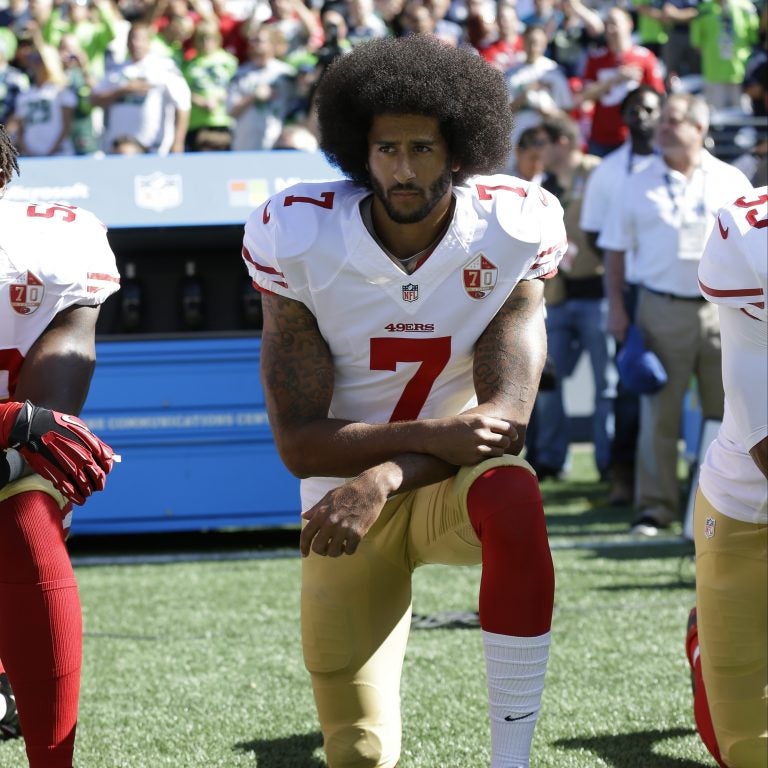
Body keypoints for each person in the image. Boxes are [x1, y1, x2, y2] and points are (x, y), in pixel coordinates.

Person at [241, 35, 566, 768]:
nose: (404, 168)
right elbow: (299, 443)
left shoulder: (514, 225)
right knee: (358, 755)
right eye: (387, 149)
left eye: (424, 148)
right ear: (362, 151)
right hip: (341, 501)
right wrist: (423, 444)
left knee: (515, 498)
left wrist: (385, 473)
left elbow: (503, 426)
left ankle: (510, 760)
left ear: (460, 150)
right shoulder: (299, 233)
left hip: (445, 485)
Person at [0, 123, 119, 767]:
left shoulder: (57, 236)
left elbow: (48, 417)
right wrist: (14, 424)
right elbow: (25, 421)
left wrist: (23, 432)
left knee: (28, 514)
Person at [599, 93, 752, 535]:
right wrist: (617, 313)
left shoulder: (730, 180)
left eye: (675, 120)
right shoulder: (636, 180)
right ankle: (655, 509)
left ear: (700, 129)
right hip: (659, 308)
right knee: (659, 417)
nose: (663, 127)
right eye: (663, 120)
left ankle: (732, 510)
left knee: (732, 416)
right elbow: (614, 253)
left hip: (725, 312)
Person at [686, 186, 767, 768]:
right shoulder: (751, 242)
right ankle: (701, 648)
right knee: (747, 753)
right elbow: (762, 429)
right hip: (746, 510)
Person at [580, 84, 664, 505]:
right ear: (623, 119)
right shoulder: (610, 170)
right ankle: (623, 476)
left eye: (650, 109)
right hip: (632, 291)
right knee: (630, 388)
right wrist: (628, 266)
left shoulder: (690, 166)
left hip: (685, 292)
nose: (642, 118)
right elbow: (595, 231)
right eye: (634, 110)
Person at [529, 115, 614, 481]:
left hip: (599, 294)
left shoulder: (599, 173)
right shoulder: (541, 185)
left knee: (605, 386)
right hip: (557, 299)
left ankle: (607, 465)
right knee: (547, 384)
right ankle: (551, 461)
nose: (537, 151)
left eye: (543, 142)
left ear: (562, 142)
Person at [90, 20, 191, 155]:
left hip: (152, 146)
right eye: (132, 39)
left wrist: (178, 142)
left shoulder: (163, 68)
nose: (136, 44)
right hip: (118, 145)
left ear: (149, 42)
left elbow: (183, 104)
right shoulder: (117, 71)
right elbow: (94, 99)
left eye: (141, 39)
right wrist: (123, 90)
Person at [578, 7, 665, 156]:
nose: (610, 29)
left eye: (614, 24)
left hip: (636, 136)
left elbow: (659, 96)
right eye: (607, 25)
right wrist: (615, 80)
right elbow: (583, 96)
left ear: (629, 25)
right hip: (602, 138)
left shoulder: (644, 58)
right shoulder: (596, 58)